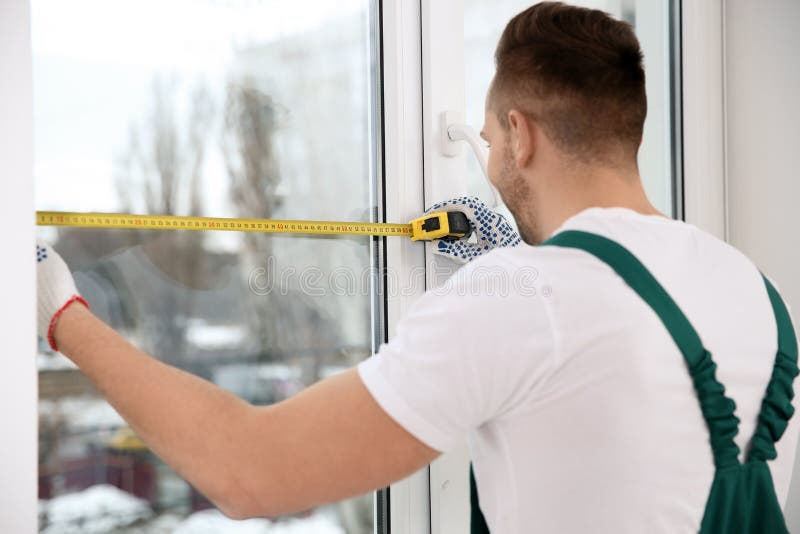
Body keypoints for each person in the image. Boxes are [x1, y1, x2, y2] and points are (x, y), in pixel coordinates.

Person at [36, 2, 799, 532]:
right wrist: (520, 267)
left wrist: (63, 318)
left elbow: (251, 471)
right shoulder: (751, 291)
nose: (495, 165)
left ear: (518, 134)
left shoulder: (528, 297)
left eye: (495, 146)